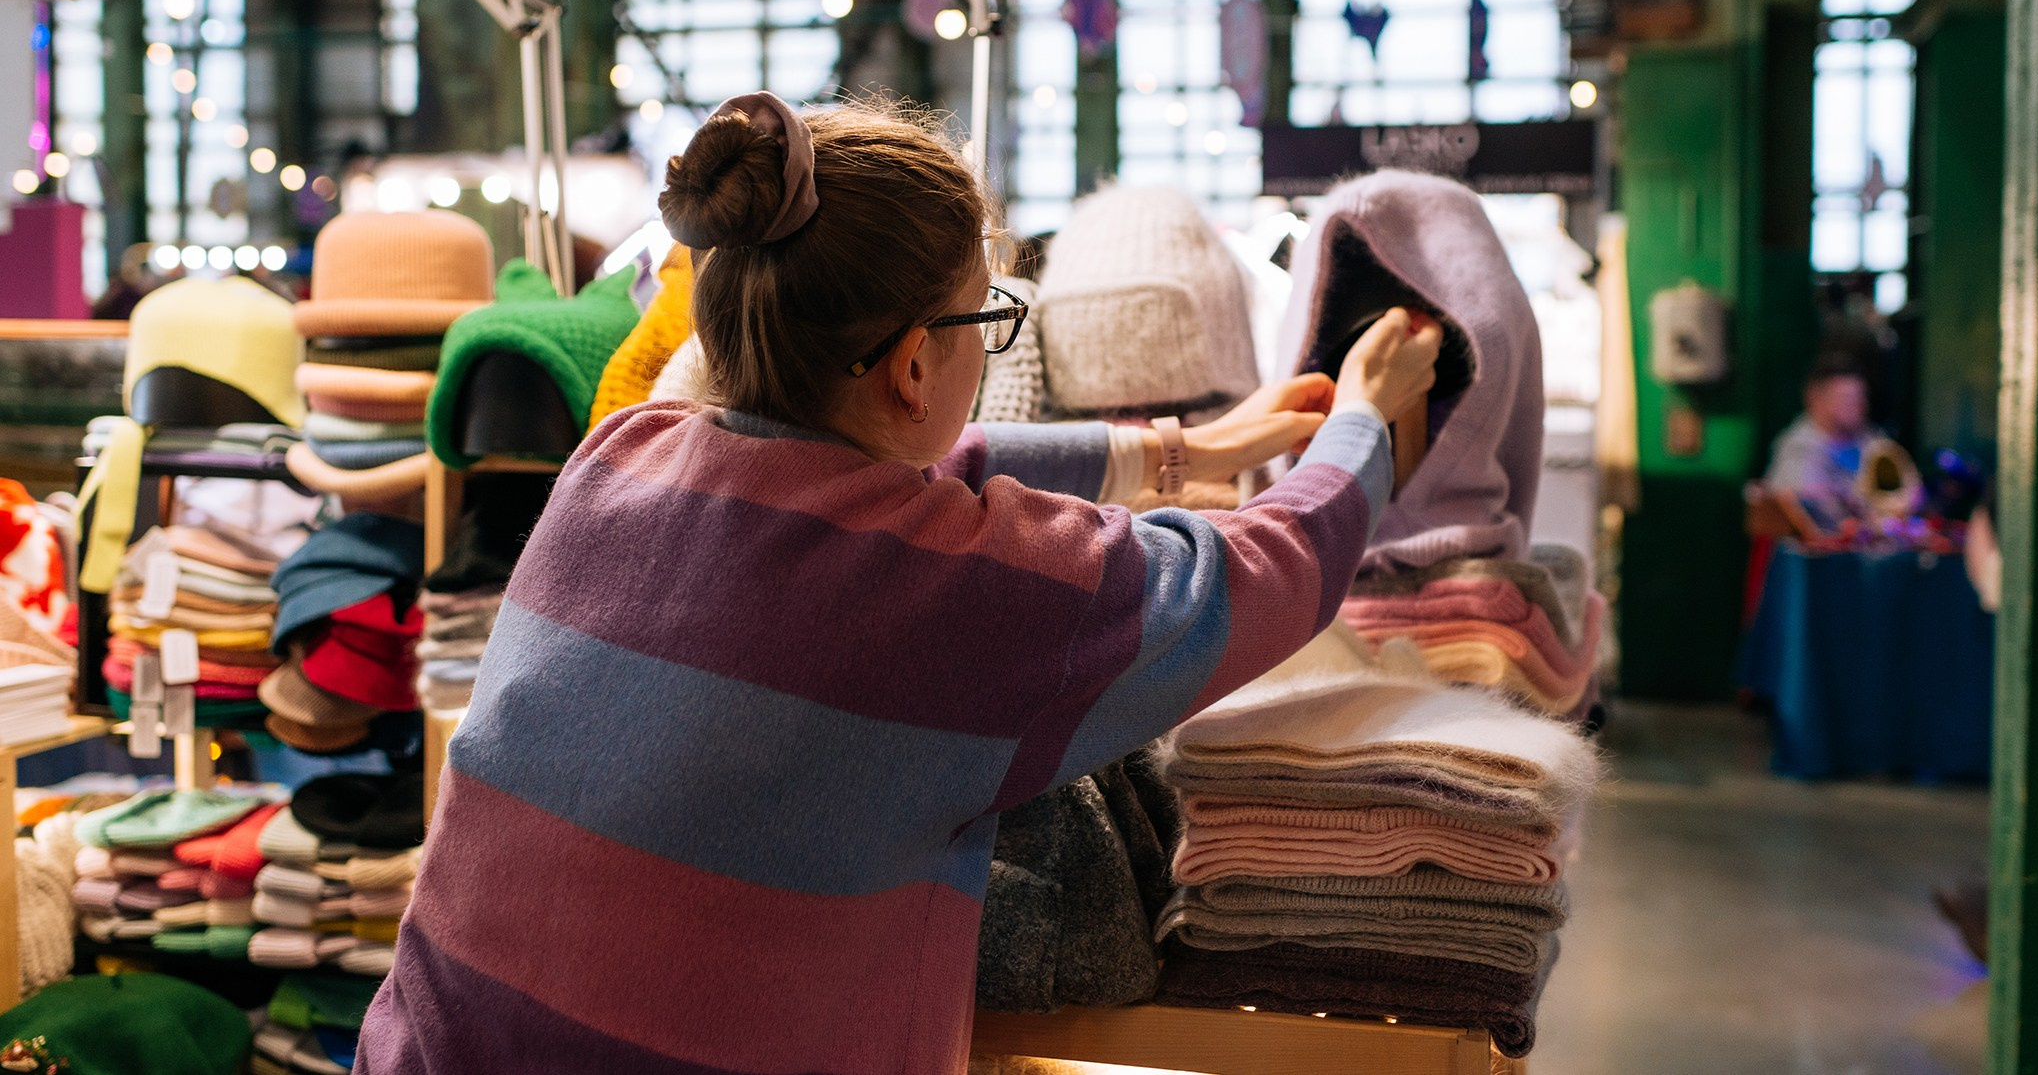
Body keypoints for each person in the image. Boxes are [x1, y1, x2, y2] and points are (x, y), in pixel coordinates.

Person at [359, 94, 1441, 1073]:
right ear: (915, 365)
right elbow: (1267, 570)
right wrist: (1362, 420)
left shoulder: (619, 456)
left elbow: (906, 469)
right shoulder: (952, 589)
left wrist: (1174, 452)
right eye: (986, 317)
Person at [1766, 358, 1881, 529]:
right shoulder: (1800, 449)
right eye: (1847, 399)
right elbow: (1815, 513)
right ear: (1816, 399)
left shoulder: (1869, 438)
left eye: (1860, 397)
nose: (1858, 406)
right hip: (1821, 544)